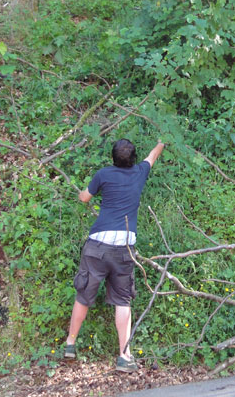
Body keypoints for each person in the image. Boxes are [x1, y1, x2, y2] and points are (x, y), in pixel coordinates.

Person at [64, 138, 165, 372]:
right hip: (124, 248)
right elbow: (153, 154)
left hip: (98, 245)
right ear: (133, 159)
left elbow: (84, 198)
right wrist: (161, 141)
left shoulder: (103, 174)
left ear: (113, 157)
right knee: (122, 299)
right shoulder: (140, 172)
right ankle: (124, 356)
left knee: (84, 294)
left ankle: (70, 344)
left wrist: (81, 191)